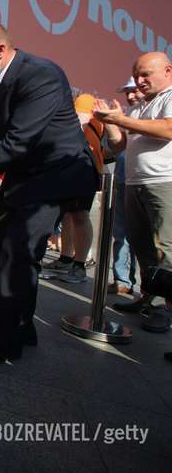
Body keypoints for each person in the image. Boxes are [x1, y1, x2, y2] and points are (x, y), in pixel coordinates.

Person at [0, 22, 97, 364]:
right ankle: (18, 326)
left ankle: (7, 342)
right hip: (25, 177)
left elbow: (20, 139)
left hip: (54, 175)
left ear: (0, 50)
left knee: (16, 252)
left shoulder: (41, 74)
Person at [96, 52, 172, 340]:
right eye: (136, 74)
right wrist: (112, 124)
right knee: (143, 247)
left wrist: (123, 120)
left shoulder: (169, 98)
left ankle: (165, 308)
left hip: (164, 183)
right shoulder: (140, 107)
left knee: (166, 250)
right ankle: (149, 298)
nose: (139, 81)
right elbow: (119, 146)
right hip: (134, 183)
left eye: (145, 74)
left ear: (167, 71)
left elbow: (168, 129)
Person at [41, 94, 104, 284]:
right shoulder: (69, 105)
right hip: (70, 167)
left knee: (79, 215)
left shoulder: (84, 101)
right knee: (67, 215)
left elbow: (78, 125)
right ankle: (66, 259)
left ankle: (79, 265)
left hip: (83, 167)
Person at [108, 78, 141, 296]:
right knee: (121, 233)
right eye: (127, 92)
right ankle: (122, 280)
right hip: (123, 178)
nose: (130, 96)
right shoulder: (130, 114)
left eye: (134, 91)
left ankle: (152, 292)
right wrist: (111, 124)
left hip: (148, 182)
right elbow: (117, 146)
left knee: (147, 239)